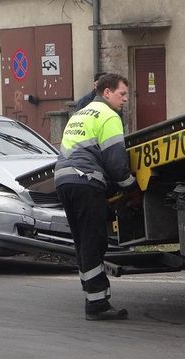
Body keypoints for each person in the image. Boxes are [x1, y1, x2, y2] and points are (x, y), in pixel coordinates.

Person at [54, 73, 141, 321]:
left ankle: (93, 296)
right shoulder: (109, 116)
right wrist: (132, 190)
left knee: (83, 242)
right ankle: (97, 304)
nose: (125, 99)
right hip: (86, 181)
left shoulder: (80, 114)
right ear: (107, 92)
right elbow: (116, 164)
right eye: (122, 94)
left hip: (64, 180)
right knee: (94, 241)